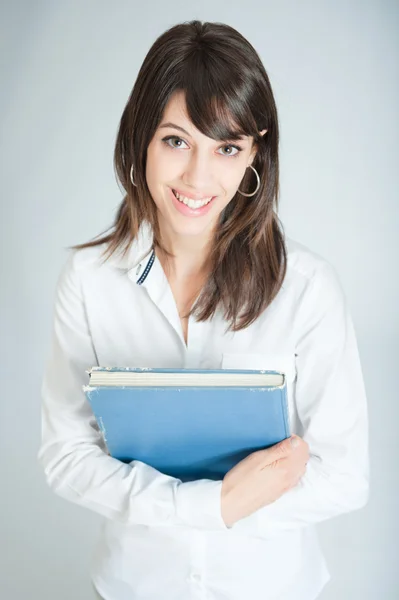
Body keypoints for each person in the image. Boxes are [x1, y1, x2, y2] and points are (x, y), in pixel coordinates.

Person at [37, 20, 369, 600]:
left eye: (227, 148)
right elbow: (66, 455)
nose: (198, 176)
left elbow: (344, 476)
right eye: (176, 140)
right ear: (140, 137)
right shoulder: (90, 281)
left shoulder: (307, 288)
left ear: (254, 156)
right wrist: (218, 503)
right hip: (132, 586)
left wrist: (214, 512)